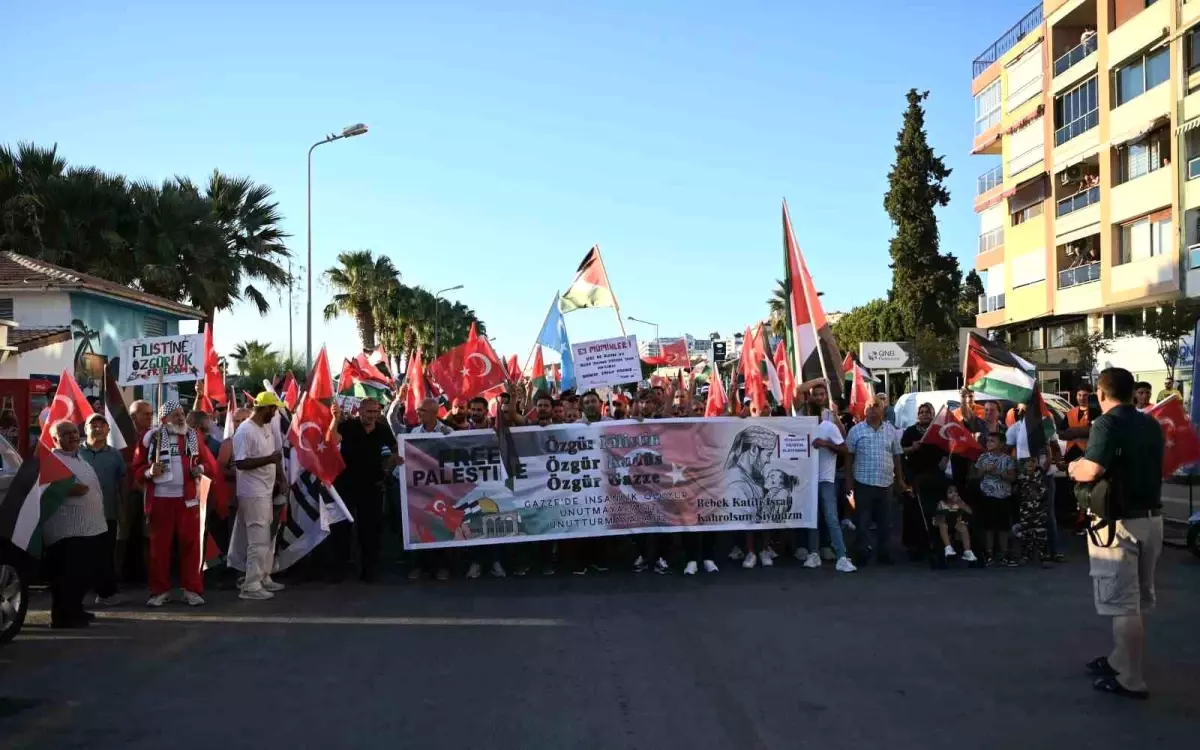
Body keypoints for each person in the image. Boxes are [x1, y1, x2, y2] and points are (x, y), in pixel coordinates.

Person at [1068, 367, 1164, 699]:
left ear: (1101, 393)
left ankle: (1131, 679)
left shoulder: (1106, 423)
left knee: (1124, 605)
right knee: (1135, 600)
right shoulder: (1150, 422)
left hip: (1119, 523)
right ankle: (1120, 659)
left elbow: (1092, 468)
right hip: (1152, 518)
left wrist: (1071, 467)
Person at [132, 400, 222, 607]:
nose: (181, 417)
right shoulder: (150, 439)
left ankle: (192, 590)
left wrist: (200, 470)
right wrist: (148, 471)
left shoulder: (193, 437)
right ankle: (160, 591)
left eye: (182, 413)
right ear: (164, 419)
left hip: (188, 501)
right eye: (175, 414)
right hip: (160, 501)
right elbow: (136, 470)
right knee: (159, 549)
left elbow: (210, 464)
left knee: (191, 547)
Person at [42, 420, 109, 628]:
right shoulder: (51, 460)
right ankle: (63, 617)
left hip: (88, 528)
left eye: (73, 432)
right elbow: (46, 488)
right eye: (66, 434)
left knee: (82, 574)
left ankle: (76, 608)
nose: (72, 436)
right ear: (55, 439)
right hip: (66, 530)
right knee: (66, 576)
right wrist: (69, 490)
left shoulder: (78, 456)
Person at [334, 397, 400, 582]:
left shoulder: (382, 429)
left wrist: (389, 467)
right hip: (346, 485)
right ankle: (341, 567)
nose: (373, 415)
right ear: (360, 411)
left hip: (372, 486)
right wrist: (335, 419)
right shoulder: (347, 427)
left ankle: (370, 569)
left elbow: (395, 449)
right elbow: (331, 440)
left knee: (370, 529)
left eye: (376, 412)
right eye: (369, 412)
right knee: (342, 528)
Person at [232, 392, 286, 600]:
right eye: (273, 410)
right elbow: (241, 463)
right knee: (258, 539)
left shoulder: (265, 428)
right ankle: (251, 585)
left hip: (266, 490)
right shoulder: (245, 431)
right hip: (252, 492)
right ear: (265, 408)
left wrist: (280, 479)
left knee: (267, 537)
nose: (275, 414)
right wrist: (269, 459)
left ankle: (264, 576)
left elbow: (275, 458)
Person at [846, 402, 903, 566]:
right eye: (869, 406)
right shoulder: (856, 430)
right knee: (862, 521)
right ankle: (862, 552)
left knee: (885, 522)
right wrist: (848, 482)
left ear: (883, 410)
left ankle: (884, 553)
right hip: (863, 482)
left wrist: (899, 479)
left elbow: (897, 456)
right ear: (865, 411)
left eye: (876, 406)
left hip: (886, 483)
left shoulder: (891, 430)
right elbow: (848, 457)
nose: (872, 409)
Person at [79, 413, 126, 606]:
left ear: (108, 430)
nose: (98, 428)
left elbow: (122, 481)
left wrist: (124, 507)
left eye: (102, 425)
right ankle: (78, 595)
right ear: (86, 429)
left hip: (108, 512)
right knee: (81, 554)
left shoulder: (115, 454)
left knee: (106, 553)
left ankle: (106, 594)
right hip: (79, 514)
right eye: (93, 425)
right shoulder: (76, 452)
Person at [1006, 413, 1065, 563]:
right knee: (1026, 516)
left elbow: (1055, 446)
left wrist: (1055, 459)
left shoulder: (1046, 424)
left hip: (1045, 476)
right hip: (1025, 478)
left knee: (1048, 514)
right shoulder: (1016, 428)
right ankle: (1027, 553)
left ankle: (1052, 551)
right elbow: (1007, 449)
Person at [804, 402, 855, 572]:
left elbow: (844, 449)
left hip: (826, 479)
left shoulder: (829, 427)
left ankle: (842, 556)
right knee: (812, 519)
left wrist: (826, 444)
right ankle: (813, 554)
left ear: (817, 413)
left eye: (810, 411)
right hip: (808, 480)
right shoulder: (801, 427)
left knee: (832, 518)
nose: (808, 414)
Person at [900, 403, 946, 558]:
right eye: (922, 412)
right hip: (915, 476)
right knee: (914, 511)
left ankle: (935, 542)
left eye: (928, 412)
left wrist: (945, 459)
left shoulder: (938, 431)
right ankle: (914, 545)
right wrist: (912, 448)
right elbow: (900, 450)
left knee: (933, 510)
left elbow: (947, 448)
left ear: (933, 414)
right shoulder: (911, 431)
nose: (925, 414)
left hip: (934, 476)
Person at [973, 432, 1016, 567]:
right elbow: (975, 475)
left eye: (993, 441)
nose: (989, 443)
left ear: (1001, 444)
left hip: (1003, 497)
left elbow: (1013, 478)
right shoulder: (983, 458)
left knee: (1003, 527)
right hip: (987, 497)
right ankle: (989, 554)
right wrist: (984, 470)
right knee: (988, 527)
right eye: (988, 440)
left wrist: (1001, 474)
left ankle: (1004, 554)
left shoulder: (1007, 459)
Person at [934, 485, 976, 562]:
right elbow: (938, 515)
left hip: (955, 523)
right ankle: (948, 547)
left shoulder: (959, 502)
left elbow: (970, 511)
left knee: (963, 527)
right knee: (943, 524)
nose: (953, 494)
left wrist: (960, 503)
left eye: (955, 492)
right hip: (943, 522)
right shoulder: (942, 503)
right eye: (950, 492)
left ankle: (967, 551)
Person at [1061, 386, 1094, 461]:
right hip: (1070, 454)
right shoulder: (1070, 412)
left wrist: (1073, 432)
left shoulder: (1096, 412)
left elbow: (1096, 431)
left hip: (1088, 454)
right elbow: (1061, 432)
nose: (1082, 398)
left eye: (1085, 395)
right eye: (1079, 395)